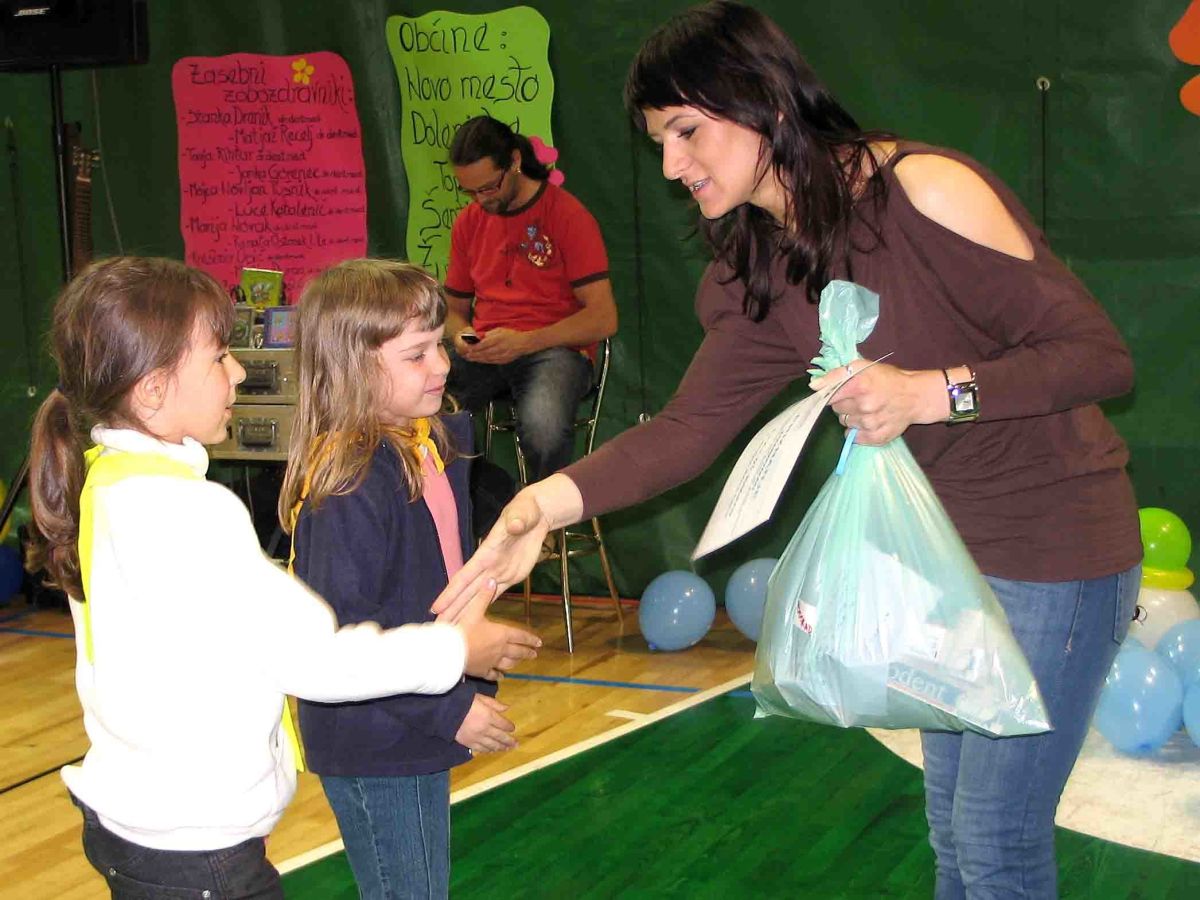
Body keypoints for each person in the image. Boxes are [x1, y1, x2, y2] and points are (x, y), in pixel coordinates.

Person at [439, 4, 1143, 898]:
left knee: (996, 839)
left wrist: (931, 392)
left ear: (764, 103)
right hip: (941, 564)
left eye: (687, 131)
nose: (672, 166)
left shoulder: (925, 191)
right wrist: (539, 505)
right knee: (955, 836)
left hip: (1053, 550)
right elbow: (688, 430)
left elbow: (1098, 357)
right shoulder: (765, 269)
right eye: (659, 142)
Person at [25, 257, 540, 898]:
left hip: (152, 826)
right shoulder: (185, 510)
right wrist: (455, 651)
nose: (239, 371)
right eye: (219, 357)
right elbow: (316, 658)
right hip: (193, 843)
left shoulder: (112, 482)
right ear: (153, 389)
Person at [280, 259, 524, 899]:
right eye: (417, 354)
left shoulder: (424, 444)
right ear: (352, 367)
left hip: (409, 720)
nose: (442, 365)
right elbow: (344, 639)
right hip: (377, 736)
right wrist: (447, 707)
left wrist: (469, 659)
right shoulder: (353, 483)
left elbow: (435, 581)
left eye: (439, 345)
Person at [444, 115, 618, 486]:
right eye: (470, 192)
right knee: (419, 399)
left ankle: (545, 515)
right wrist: (462, 336)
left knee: (543, 426)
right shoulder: (468, 223)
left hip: (556, 350)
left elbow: (603, 318)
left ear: (515, 161)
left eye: (489, 187)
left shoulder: (568, 215)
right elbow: (453, 312)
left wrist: (526, 342)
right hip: (487, 349)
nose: (481, 200)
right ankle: (451, 505)